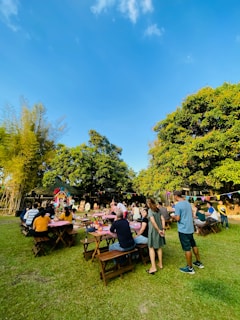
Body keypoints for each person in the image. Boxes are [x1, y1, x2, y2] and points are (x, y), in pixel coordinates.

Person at [173, 191, 204, 274]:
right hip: (190, 228)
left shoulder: (178, 205)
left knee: (187, 248)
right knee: (193, 244)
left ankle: (190, 268)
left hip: (183, 229)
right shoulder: (187, 203)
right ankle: (198, 262)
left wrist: (173, 216)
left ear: (176, 196)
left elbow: (178, 218)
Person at [146, 198, 166, 274]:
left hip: (153, 231)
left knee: (151, 248)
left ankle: (153, 267)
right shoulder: (158, 210)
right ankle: (160, 264)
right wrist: (163, 229)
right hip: (160, 230)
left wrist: (158, 230)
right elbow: (163, 219)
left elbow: (153, 221)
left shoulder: (150, 211)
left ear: (148, 204)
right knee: (159, 247)